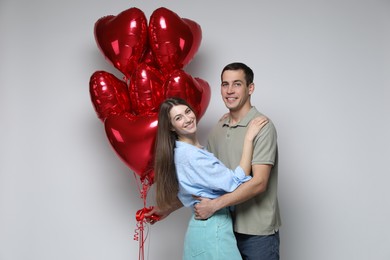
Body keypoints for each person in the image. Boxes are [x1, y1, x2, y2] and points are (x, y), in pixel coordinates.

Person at [152, 97, 268, 260]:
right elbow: (234, 183)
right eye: (178, 118)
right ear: (171, 126)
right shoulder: (192, 156)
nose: (187, 119)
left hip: (201, 229)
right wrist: (249, 138)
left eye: (187, 112)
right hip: (213, 228)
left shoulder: (185, 151)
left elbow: (195, 191)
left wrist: (167, 208)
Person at [193, 62, 281, 260]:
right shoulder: (218, 129)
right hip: (223, 229)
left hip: (258, 234)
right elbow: (206, 180)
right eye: (225, 84)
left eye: (237, 84)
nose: (229, 91)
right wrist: (165, 208)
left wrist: (214, 205)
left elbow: (259, 183)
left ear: (250, 88)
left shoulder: (262, 126)